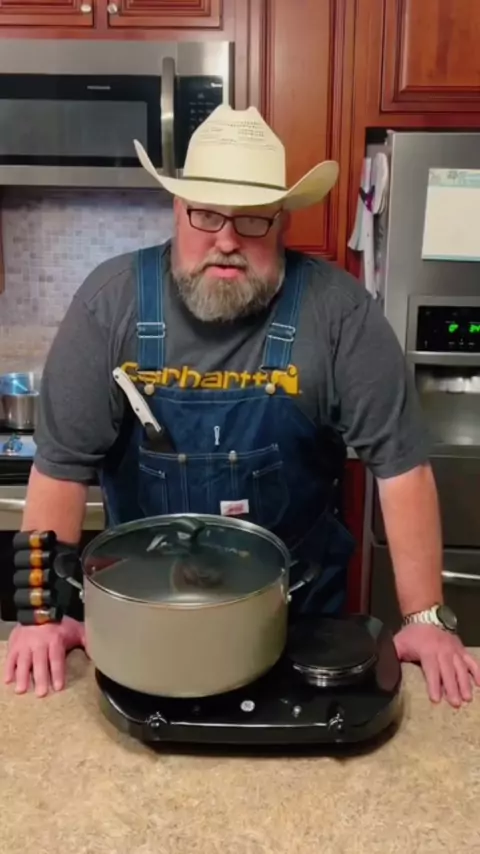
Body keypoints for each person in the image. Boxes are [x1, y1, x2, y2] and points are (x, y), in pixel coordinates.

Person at [4, 105, 480, 707]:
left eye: (252, 218)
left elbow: (401, 466)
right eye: (206, 213)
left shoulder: (341, 316)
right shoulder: (109, 305)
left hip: (298, 627)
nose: (226, 241)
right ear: (178, 209)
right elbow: (61, 468)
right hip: (142, 627)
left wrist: (426, 619)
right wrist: (42, 616)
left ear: (281, 222)